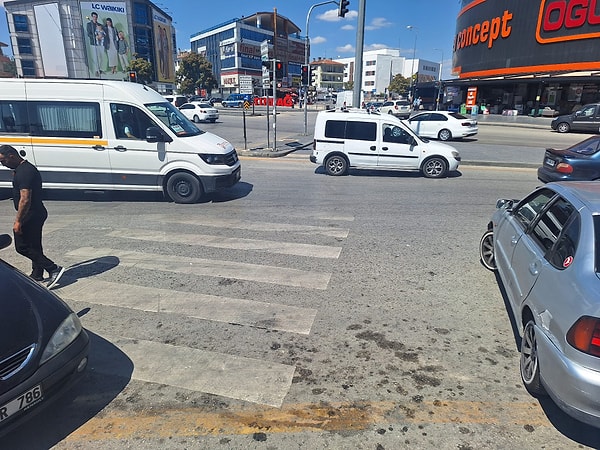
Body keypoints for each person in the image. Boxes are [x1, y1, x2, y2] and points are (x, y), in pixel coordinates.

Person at [0, 145, 64, 288]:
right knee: (34, 245)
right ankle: (37, 273)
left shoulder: (24, 171)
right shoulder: (24, 169)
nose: (2, 164)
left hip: (30, 213)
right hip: (37, 212)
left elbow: (25, 199)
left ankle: (53, 268)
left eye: (3, 161)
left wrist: (18, 221)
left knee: (22, 247)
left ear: (11, 156)